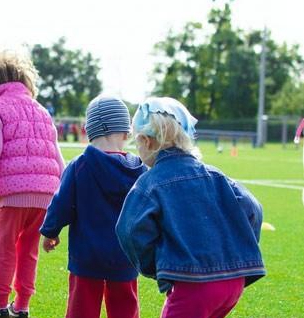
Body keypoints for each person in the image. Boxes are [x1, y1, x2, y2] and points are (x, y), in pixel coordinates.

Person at [116, 97, 265, 318]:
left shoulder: (149, 183)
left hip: (194, 284)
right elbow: (254, 208)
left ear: (146, 141)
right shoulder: (216, 175)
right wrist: (239, 247)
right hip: (234, 282)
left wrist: (153, 266)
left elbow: (129, 230)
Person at [0, 50, 65, 318]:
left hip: (14, 194)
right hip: (46, 194)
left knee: (5, 249)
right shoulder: (42, 110)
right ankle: (22, 306)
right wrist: (64, 196)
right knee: (29, 252)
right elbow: (57, 154)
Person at [40, 96, 146, 318]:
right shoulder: (140, 170)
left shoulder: (80, 165)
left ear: (88, 131)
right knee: (125, 308)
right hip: (125, 256)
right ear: (126, 133)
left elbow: (61, 203)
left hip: (86, 256)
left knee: (82, 309)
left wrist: (50, 231)